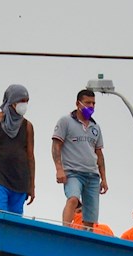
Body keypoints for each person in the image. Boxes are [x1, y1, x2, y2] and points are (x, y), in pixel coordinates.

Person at [52, 89, 107, 230]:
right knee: (73, 199)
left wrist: (104, 178)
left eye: (93, 103)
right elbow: (56, 145)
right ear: (78, 103)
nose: (91, 106)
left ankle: (87, 239)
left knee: (90, 216)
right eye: (88, 103)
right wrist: (59, 169)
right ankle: (65, 229)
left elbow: (99, 154)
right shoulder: (66, 121)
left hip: (92, 175)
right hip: (73, 172)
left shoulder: (96, 127)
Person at [0, 84, 35, 214]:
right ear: (11, 101)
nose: (24, 105)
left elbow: (30, 157)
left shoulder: (27, 126)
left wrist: (31, 185)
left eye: (26, 101)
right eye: (21, 101)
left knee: (14, 222)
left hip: (20, 182)